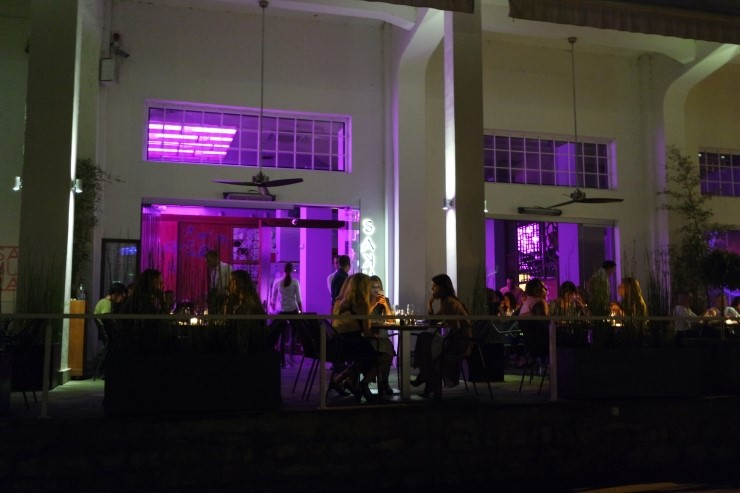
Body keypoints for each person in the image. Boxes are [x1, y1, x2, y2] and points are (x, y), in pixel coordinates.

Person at [331, 273, 391, 402]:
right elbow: (367, 332)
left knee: (363, 358)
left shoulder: (338, 301)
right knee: (385, 356)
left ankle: (340, 381)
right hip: (353, 343)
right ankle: (364, 383)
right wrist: (375, 336)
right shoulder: (362, 304)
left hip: (337, 344)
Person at [412, 274, 471, 398]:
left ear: (442, 287)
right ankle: (425, 378)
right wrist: (430, 303)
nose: (432, 289)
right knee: (425, 340)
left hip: (459, 342)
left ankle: (424, 375)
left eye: (435, 286)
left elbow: (456, 327)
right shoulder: (447, 301)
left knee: (424, 340)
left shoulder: (449, 302)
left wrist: (446, 340)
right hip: (459, 339)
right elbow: (435, 320)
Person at [224, 270, 269, 352]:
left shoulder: (249, 307)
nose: (228, 285)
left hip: (249, 352)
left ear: (239, 284)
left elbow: (244, 337)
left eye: (231, 282)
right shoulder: (239, 302)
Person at [270, 262, 303, 367]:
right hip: (293, 310)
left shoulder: (277, 282)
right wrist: (301, 311)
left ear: (283, 270)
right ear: (292, 270)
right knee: (293, 334)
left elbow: (273, 299)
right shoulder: (295, 282)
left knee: (282, 336)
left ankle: (282, 361)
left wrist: (274, 308)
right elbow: (298, 299)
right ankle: (291, 358)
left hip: (282, 311)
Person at [369, 275, 395, 396]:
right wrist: (373, 304)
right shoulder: (365, 301)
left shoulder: (385, 300)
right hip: (369, 334)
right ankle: (383, 382)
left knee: (387, 346)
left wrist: (385, 306)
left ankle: (384, 381)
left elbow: (391, 321)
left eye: (378, 287)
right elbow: (365, 317)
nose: (376, 290)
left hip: (382, 334)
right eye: (373, 287)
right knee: (387, 349)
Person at [205, 249, 231, 315]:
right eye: (207, 261)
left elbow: (231, 283)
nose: (208, 263)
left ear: (216, 258)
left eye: (209, 260)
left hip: (224, 298)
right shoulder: (212, 270)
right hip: (215, 300)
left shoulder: (226, 267)